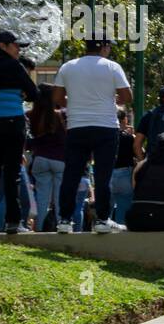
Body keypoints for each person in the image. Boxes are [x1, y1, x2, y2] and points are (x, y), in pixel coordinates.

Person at [53, 34, 131, 233]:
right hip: (105, 127)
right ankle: (103, 220)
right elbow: (127, 96)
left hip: (77, 126)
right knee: (103, 176)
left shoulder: (68, 67)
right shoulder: (112, 67)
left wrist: (79, 103)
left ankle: (64, 220)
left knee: (71, 174)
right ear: (104, 46)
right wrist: (107, 100)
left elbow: (57, 98)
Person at [26, 83, 68, 231]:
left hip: (39, 159)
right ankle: (61, 226)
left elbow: (28, 141)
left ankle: (38, 229)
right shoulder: (60, 115)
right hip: (60, 160)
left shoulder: (30, 115)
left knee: (42, 197)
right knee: (58, 198)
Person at [112, 109, 137, 225]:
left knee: (105, 210)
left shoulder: (106, 137)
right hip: (125, 173)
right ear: (124, 120)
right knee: (123, 208)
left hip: (107, 173)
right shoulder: (129, 137)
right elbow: (138, 153)